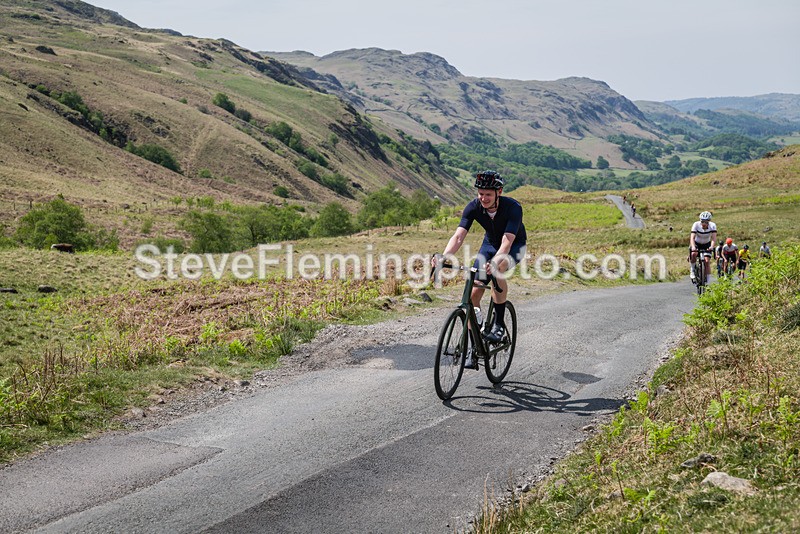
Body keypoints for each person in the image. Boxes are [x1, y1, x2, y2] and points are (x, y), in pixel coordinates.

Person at [433, 170, 527, 365]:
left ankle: (499, 323)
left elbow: (507, 241)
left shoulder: (513, 208)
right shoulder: (473, 207)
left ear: (498, 192)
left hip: (514, 245)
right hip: (489, 244)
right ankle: (475, 344)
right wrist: (444, 256)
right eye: (480, 193)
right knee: (473, 293)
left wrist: (495, 262)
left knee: (498, 269)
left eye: (488, 194)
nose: (483, 198)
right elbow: (459, 236)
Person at [689, 211, 717, 285]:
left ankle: (707, 281)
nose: (703, 223)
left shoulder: (713, 226)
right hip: (697, 243)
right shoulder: (696, 224)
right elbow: (692, 237)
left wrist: (711, 247)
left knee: (707, 261)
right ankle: (692, 270)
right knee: (693, 254)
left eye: (705, 222)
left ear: (709, 222)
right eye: (702, 221)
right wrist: (693, 247)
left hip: (706, 244)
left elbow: (713, 238)